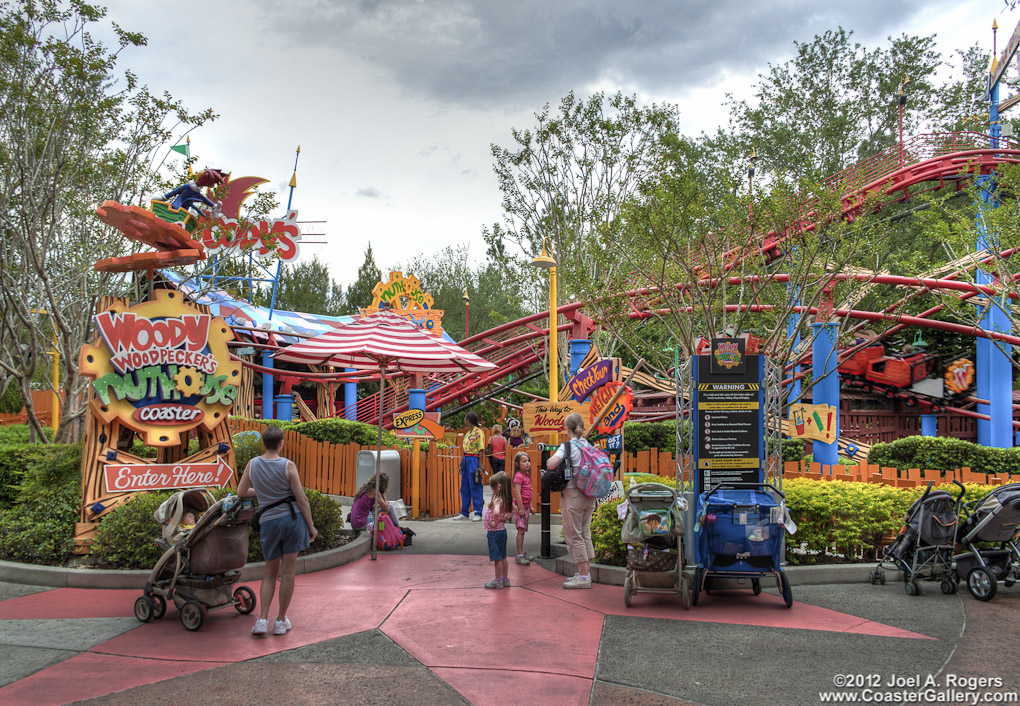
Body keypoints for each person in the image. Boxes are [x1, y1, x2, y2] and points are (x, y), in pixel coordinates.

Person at [237, 425, 318, 636]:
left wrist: (263, 494)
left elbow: (241, 492)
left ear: (264, 442)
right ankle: (281, 620)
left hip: (269, 523)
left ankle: (262, 619)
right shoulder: (288, 466)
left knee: (269, 572)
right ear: (281, 443)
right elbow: (301, 498)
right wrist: (311, 526)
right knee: (288, 572)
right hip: (292, 521)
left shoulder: (252, 464)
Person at [546, 412, 595, 589]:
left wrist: (549, 460)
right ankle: (586, 572)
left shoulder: (568, 446)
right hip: (589, 494)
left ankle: (583, 577)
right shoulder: (587, 444)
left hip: (573, 495)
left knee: (574, 535)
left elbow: (551, 464)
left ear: (567, 428)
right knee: (585, 533)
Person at [484, 471, 514, 588]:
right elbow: (515, 508)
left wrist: (495, 523)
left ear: (498, 486)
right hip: (502, 532)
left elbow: (496, 512)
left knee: (497, 559)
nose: (491, 489)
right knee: (503, 556)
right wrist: (508, 515)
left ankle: (498, 581)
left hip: (494, 532)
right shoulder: (506, 499)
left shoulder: (497, 499)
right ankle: (505, 579)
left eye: (492, 487)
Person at [455, 411, 485, 521]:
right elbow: (464, 451)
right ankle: (464, 512)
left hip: (474, 459)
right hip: (466, 459)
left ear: (469, 419)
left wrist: (480, 466)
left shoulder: (479, 432)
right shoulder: (467, 434)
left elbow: (481, 450)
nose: (464, 421)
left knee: (475, 485)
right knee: (464, 486)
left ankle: (478, 512)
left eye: (465, 418)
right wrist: (461, 465)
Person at [511, 451, 533, 565]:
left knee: (523, 531)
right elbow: (518, 494)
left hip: (525, 507)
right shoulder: (518, 476)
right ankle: (519, 554)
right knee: (521, 531)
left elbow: (528, 491)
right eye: (524, 461)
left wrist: (530, 506)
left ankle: (521, 552)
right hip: (521, 508)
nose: (527, 463)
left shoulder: (527, 475)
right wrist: (520, 508)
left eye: (528, 461)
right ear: (517, 464)